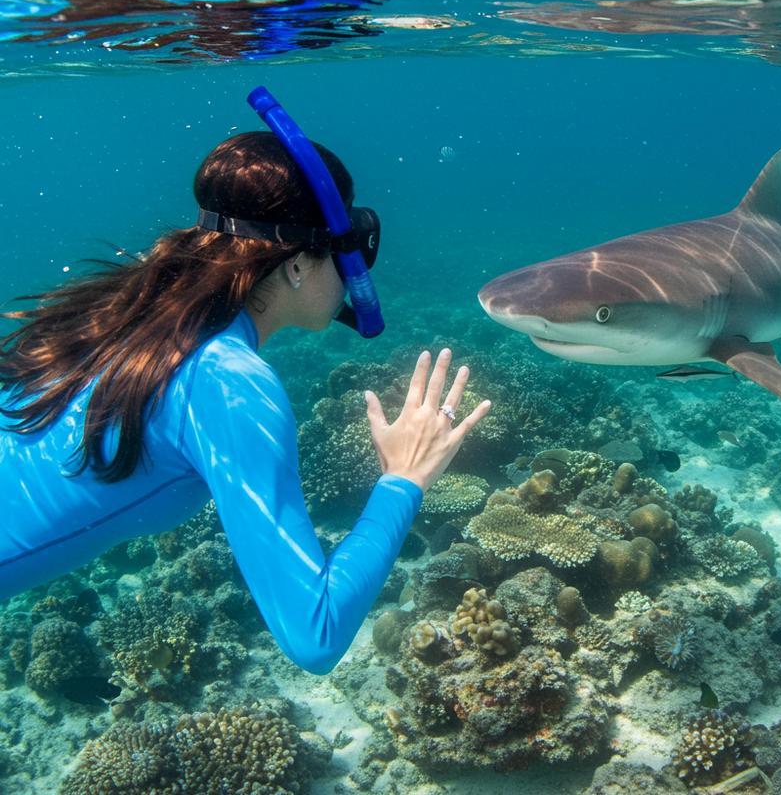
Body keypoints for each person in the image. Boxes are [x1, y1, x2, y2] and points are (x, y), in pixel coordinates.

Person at [0, 97, 491, 675]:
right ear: (297, 265)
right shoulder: (228, 383)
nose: (356, 269)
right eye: (348, 248)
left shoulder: (123, 307)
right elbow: (315, 632)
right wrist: (403, 480)